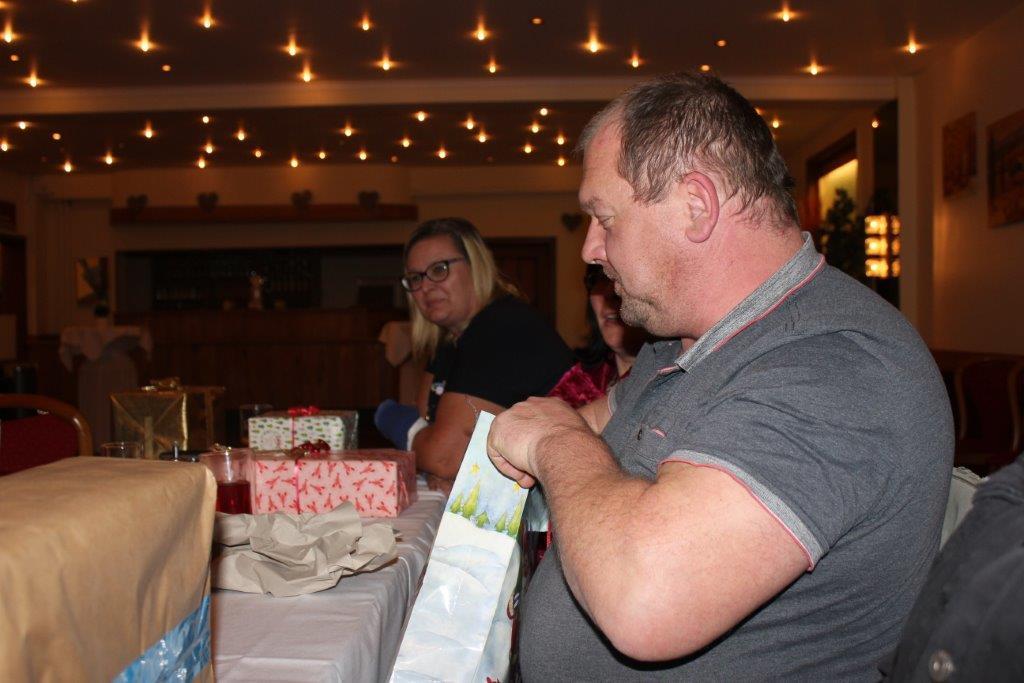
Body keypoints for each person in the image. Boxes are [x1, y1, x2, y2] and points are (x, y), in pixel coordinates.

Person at [485, 72, 954, 680]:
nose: (591, 249)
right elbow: (601, 419)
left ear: (696, 206)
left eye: (605, 218)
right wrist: (558, 430)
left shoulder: (838, 367)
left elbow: (646, 601)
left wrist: (554, 440)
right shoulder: (685, 340)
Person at [375, 217, 573, 490]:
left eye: (439, 269)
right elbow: (433, 436)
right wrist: (432, 453)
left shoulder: (500, 327)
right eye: (415, 278)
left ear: (476, 265)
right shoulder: (452, 337)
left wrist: (403, 427)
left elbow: (444, 458)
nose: (426, 287)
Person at [547, 265, 646, 409]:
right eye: (599, 279)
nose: (610, 292)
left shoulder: (668, 381)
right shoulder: (579, 384)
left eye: (620, 277)